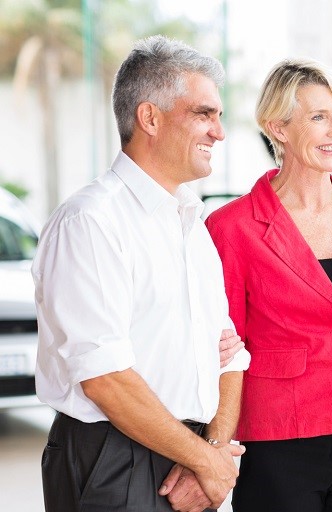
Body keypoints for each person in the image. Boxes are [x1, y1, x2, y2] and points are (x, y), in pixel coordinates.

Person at [32, 35, 251, 512]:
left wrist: (209, 454)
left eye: (219, 115)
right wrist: (210, 464)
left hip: (188, 454)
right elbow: (104, 377)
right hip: (111, 456)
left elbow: (230, 355)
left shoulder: (191, 224)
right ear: (149, 117)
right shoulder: (90, 221)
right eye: (204, 114)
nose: (219, 131)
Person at [204, 58, 332, 512]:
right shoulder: (231, 227)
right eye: (319, 117)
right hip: (278, 437)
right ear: (278, 127)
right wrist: (213, 445)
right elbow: (224, 348)